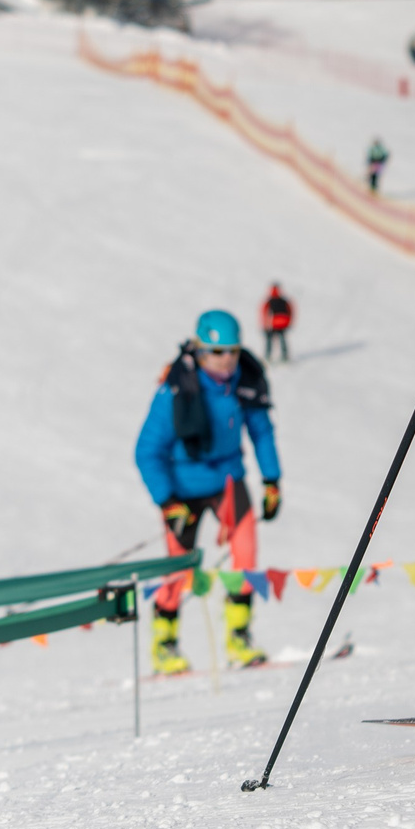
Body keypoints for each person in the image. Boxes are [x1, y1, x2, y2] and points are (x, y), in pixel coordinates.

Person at [133, 310, 284, 673]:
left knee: (246, 554)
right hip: (182, 490)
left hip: (229, 482)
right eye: (217, 352)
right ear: (200, 352)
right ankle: (164, 646)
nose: (227, 359)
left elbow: (261, 430)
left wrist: (271, 480)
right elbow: (147, 452)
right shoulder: (175, 390)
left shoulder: (246, 380)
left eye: (232, 350)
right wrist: (167, 501)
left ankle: (239, 638)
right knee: (178, 568)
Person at [261, 283, 295, 362]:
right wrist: (289, 322)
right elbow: (290, 311)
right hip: (283, 323)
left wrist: (265, 325)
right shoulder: (284, 301)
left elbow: (264, 313)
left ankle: (267, 356)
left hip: (273, 324)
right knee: (282, 339)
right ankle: (285, 355)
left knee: (269, 340)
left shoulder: (269, 301)